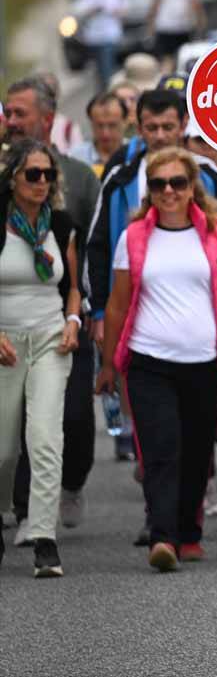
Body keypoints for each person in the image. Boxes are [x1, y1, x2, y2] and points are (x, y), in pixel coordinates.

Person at [96, 148, 217, 571]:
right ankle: (162, 535)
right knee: (161, 448)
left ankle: (189, 532)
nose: (168, 191)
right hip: (148, 360)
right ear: (149, 191)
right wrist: (108, 364)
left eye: (177, 183)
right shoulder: (133, 237)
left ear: (193, 188)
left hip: (207, 361)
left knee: (198, 451)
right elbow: (117, 304)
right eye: (158, 184)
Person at [85, 88, 217, 470]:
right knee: (152, 424)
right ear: (139, 128)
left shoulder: (207, 176)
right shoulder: (120, 177)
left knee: (193, 425)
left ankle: (186, 490)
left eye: (167, 126)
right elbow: (97, 245)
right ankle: (156, 494)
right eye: (151, 127)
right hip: (135, 316)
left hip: (199, 316)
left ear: (183, 126)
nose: (160, 135)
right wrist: (98, 311)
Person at [3, 76, 100, 533]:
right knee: (11, 437)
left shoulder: (78, 181)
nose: (10, 120)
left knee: (67, 425)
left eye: (19, 113)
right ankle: (19, 511)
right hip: (7, 330)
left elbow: (94, 252)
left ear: (46, 118)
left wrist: (86, 316)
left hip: (59, 328)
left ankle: (56, 504)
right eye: (7, 112)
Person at [0, 140, 80, 577]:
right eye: (32, 174)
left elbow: (72, 285)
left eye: (48, 174)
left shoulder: (63, 225)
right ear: (13, 178)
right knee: (3, 448)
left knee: (45, 438)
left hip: (50, 339)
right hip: (4, 345)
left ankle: (43, 538)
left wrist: (73, 320)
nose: (42, 182)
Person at [74, 0, 127, 89]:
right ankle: (101, 91)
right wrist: (94, 9)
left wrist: (112, 10)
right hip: (93, 37)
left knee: (107, 66)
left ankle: (108, 90)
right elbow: (80, 10)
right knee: (97, 69)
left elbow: (123, 12)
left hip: (110, 36)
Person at [73, 92, 128, 178]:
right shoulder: (76, 158)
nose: (105, 133)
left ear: (125, 123)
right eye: (99, 125)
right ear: (91, 123)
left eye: (112, 125)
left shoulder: (136, 154)